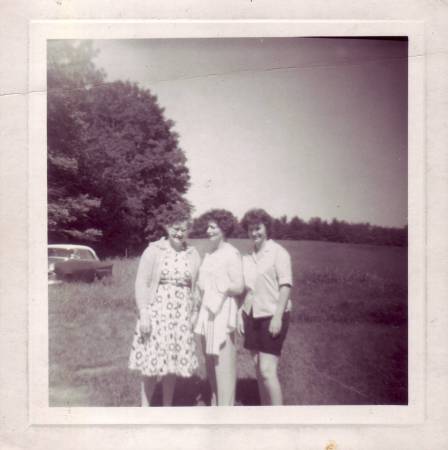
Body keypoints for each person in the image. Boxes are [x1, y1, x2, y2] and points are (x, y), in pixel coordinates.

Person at [128, 205, 201, 406]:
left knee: (172, 364)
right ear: (167, 228)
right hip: (157, 313)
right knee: (151, 362)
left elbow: (196, 287)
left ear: (188, 230)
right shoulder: (154, 251)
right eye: (175, 228)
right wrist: (144, 313)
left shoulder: (193, 254)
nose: (179, 233)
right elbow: (141, 283)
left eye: (183, 229)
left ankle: (167, 407)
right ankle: (145, 407)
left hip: (181, 315)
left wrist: (194, 312)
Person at [238, 208, 293, 405]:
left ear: (266, 228)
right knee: (257, 366)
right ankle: (263, 413)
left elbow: (285, 286)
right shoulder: (247, 257)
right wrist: (240, 314)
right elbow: (246, 289)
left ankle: (278, 418)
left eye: (258, 228)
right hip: (251, 315)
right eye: (251, 229)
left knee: (267, 370)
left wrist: (278, 317)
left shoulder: (279, 253)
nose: (255, 233)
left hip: (273, 315)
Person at [194, 210, 244, 406]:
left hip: (223, 312)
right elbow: (201, 283)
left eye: (213, 227)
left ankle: (226, 409)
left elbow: (238, 286)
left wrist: (219, 288)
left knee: (223, 365)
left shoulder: (231, 254)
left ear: (223, 229)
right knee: (210, 361)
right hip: (207, 312)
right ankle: (215, 402)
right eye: (208, 227)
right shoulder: (210, 255)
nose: (208, 231)